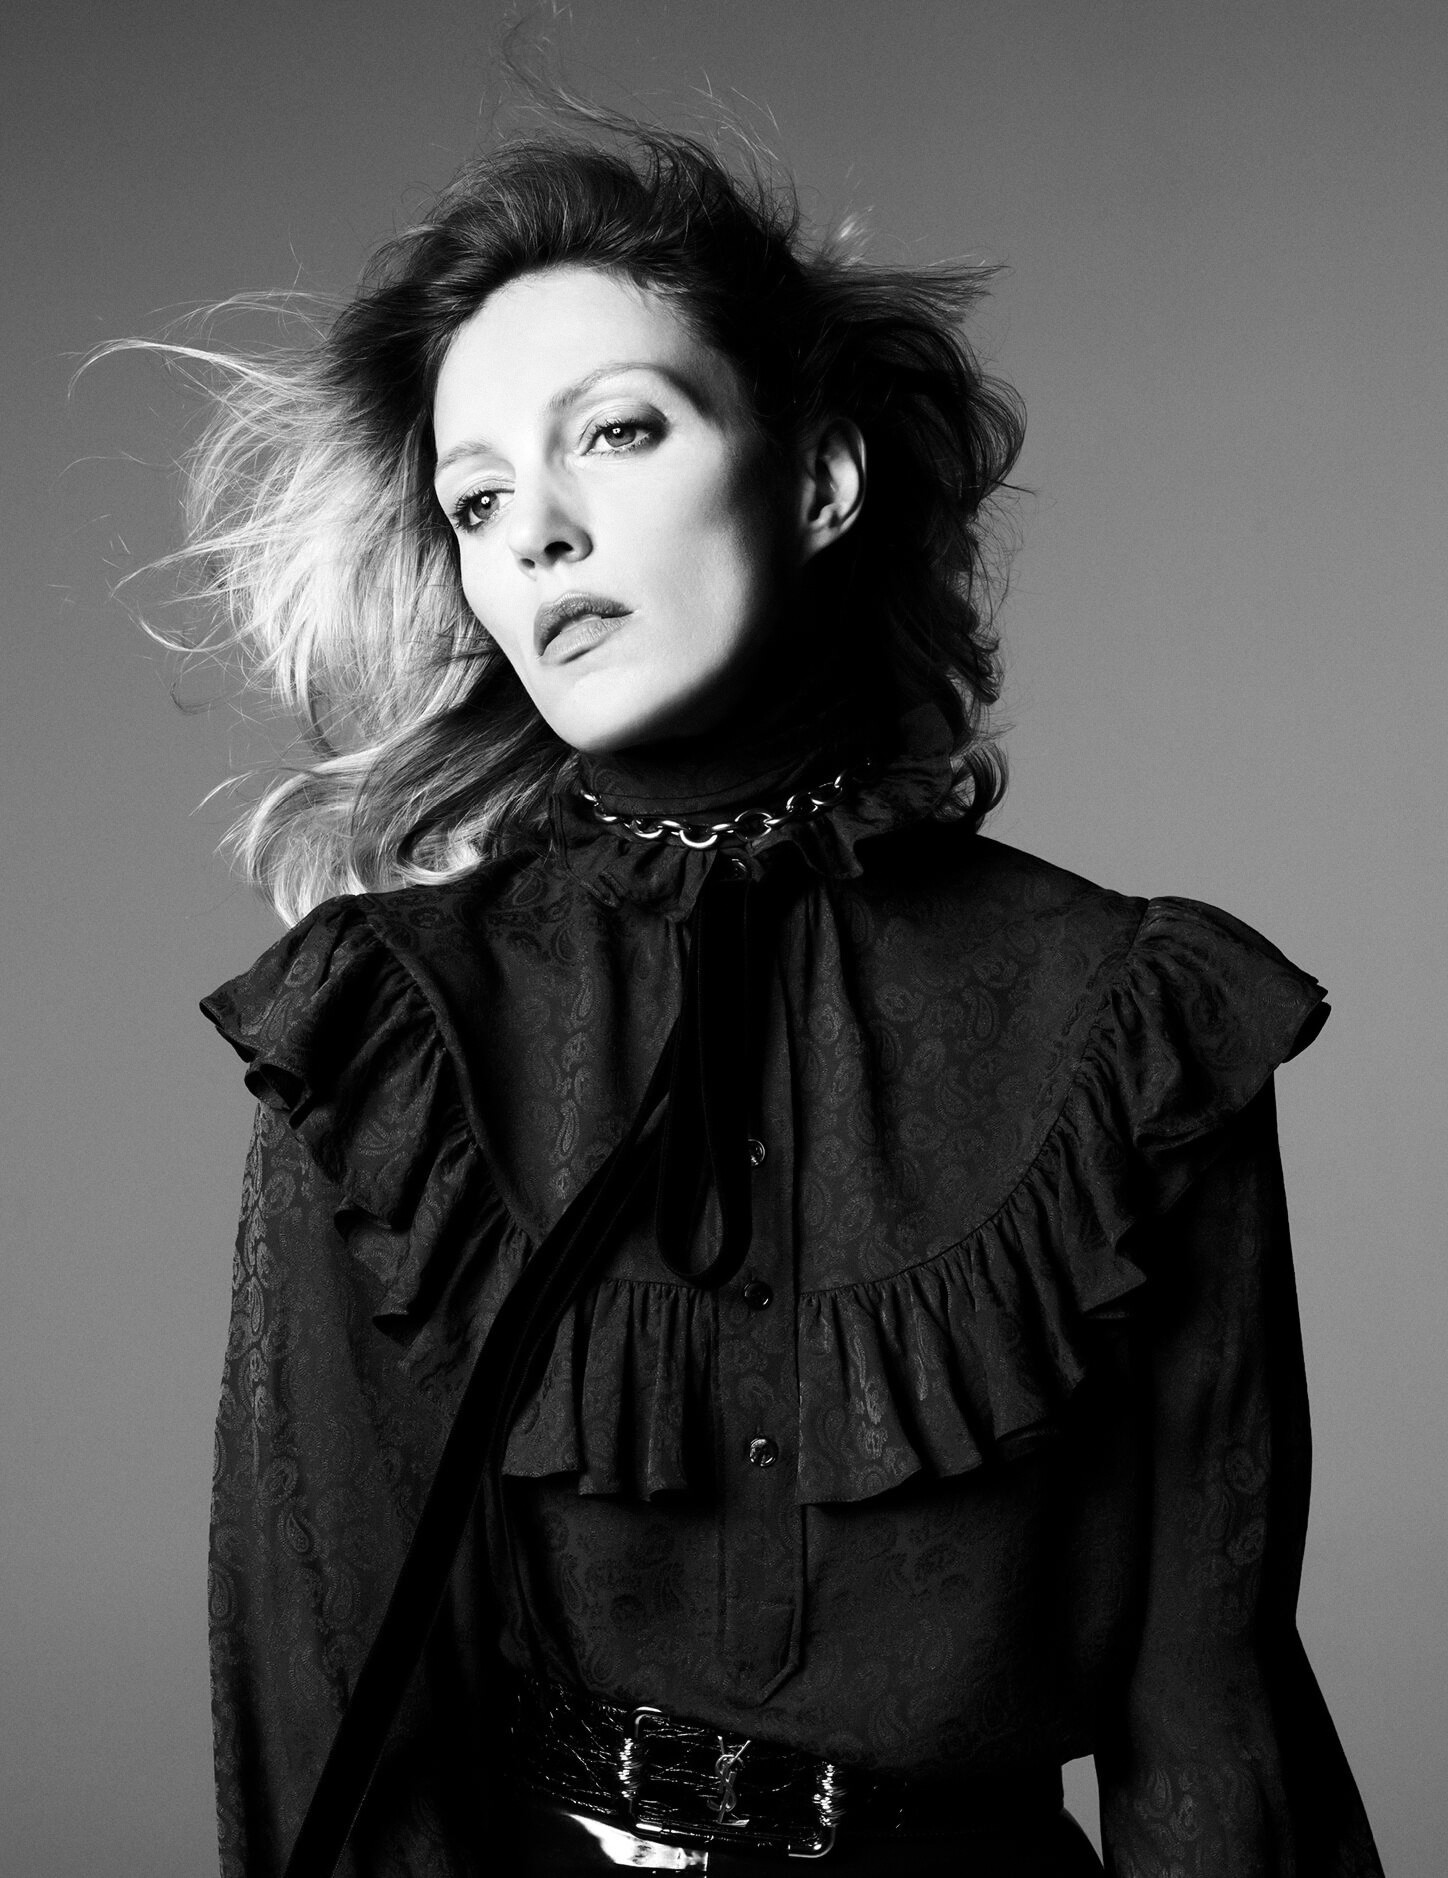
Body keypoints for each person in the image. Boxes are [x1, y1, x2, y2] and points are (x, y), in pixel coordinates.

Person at [161, 120, 1384, 1875]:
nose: (540, 532)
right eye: (479, 500)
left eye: (619, 431)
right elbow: (328, 1695)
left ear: (817, 480)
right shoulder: (390, 1033)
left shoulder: (1133, 1021)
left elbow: (1212, 1708)